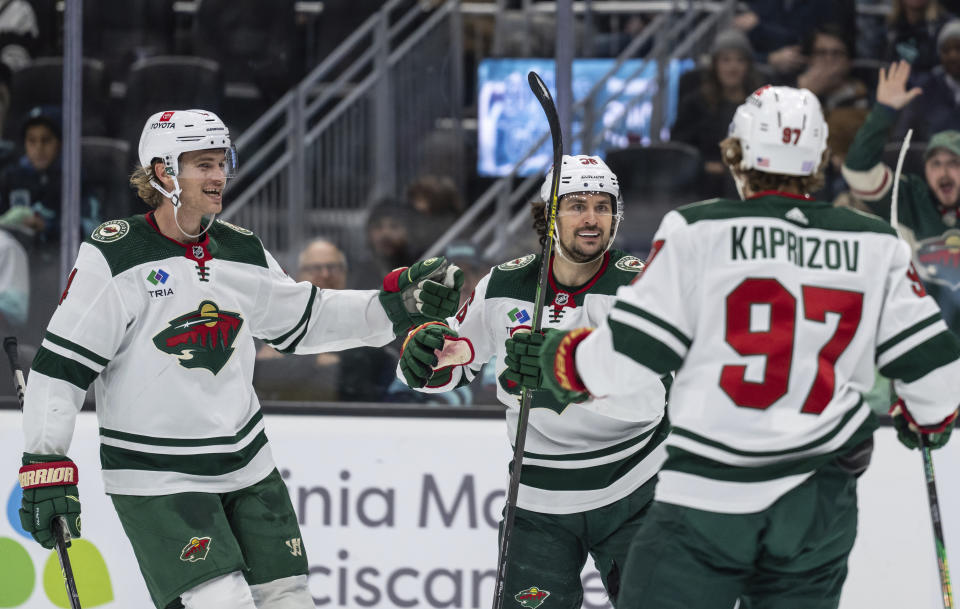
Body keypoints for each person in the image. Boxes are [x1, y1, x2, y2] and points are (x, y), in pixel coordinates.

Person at [512, 86, 960, 608]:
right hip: (818, 499)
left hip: (706, 498)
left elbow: (626, 359)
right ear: (817, 158)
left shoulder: (697, 230)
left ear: (739, 156)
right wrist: (926, 419)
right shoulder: (876, 244)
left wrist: (560, 359)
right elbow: (938, 376)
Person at [16, 109, 463, 609]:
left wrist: (392, 309)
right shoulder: (115, 255)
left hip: (248, 465)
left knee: (289, 600)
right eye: (202, 164)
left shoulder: (241, 249)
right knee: (221, 601)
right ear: (163, 172)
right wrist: (45, 460)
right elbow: (61, 366)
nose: (218, 176)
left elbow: (307, 319)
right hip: (160, 476)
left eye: (221, 162)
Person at [396, 155, 670, 608]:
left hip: (634, 486)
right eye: (577, 205)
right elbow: (458, 360)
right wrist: (426, 363)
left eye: (603, 207)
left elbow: (652, 392)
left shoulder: (640, 288)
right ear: (548, 217)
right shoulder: (503, 284)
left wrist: (565, 378)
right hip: (538, 498)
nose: (591, 219)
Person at [842, 60, 960, 333]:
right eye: (935, 163)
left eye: (954, 163)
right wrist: (884, 112)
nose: (944, 172)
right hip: (920, 341)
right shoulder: (908, 198)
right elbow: (858, 171)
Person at [255, 238, 397, 402]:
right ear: (298, 275)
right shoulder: (275, 319)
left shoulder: (369, 316)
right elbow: (261, 374)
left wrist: (292, 362)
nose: (325, 274)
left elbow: (366, 373)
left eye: (333, 267)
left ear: (345, 272)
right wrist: (319, 361)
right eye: (315, 268)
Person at [673, 28, 764, 199]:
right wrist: (704, 165)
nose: (733, 67)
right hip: (706, 183)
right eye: (726, 60)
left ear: (748, 66)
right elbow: (680, 148)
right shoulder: (695, 103)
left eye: (740, 60)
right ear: (715, 65)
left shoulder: (761, 104)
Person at [894, 20, 960, 141]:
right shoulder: (923, 90)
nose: (953, 56)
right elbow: (902, 137)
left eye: (958, 49)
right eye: (946, 50)